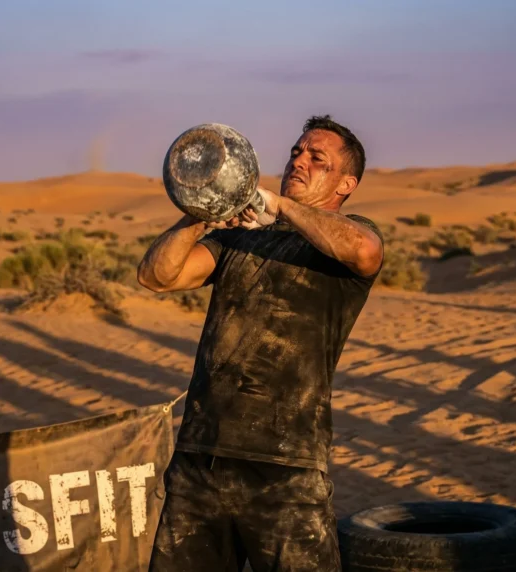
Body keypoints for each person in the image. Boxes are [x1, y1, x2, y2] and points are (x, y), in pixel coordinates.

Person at [138, 115, 384, 571]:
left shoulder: (347, 237)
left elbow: (365, 250)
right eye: (296, 152)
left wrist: (278, 205)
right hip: (201, 456)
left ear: (346, 183)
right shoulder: (236, 239)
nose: (299, 161)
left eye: (317, 158)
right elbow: (157, 276)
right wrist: (202, 211)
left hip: (286, 462)